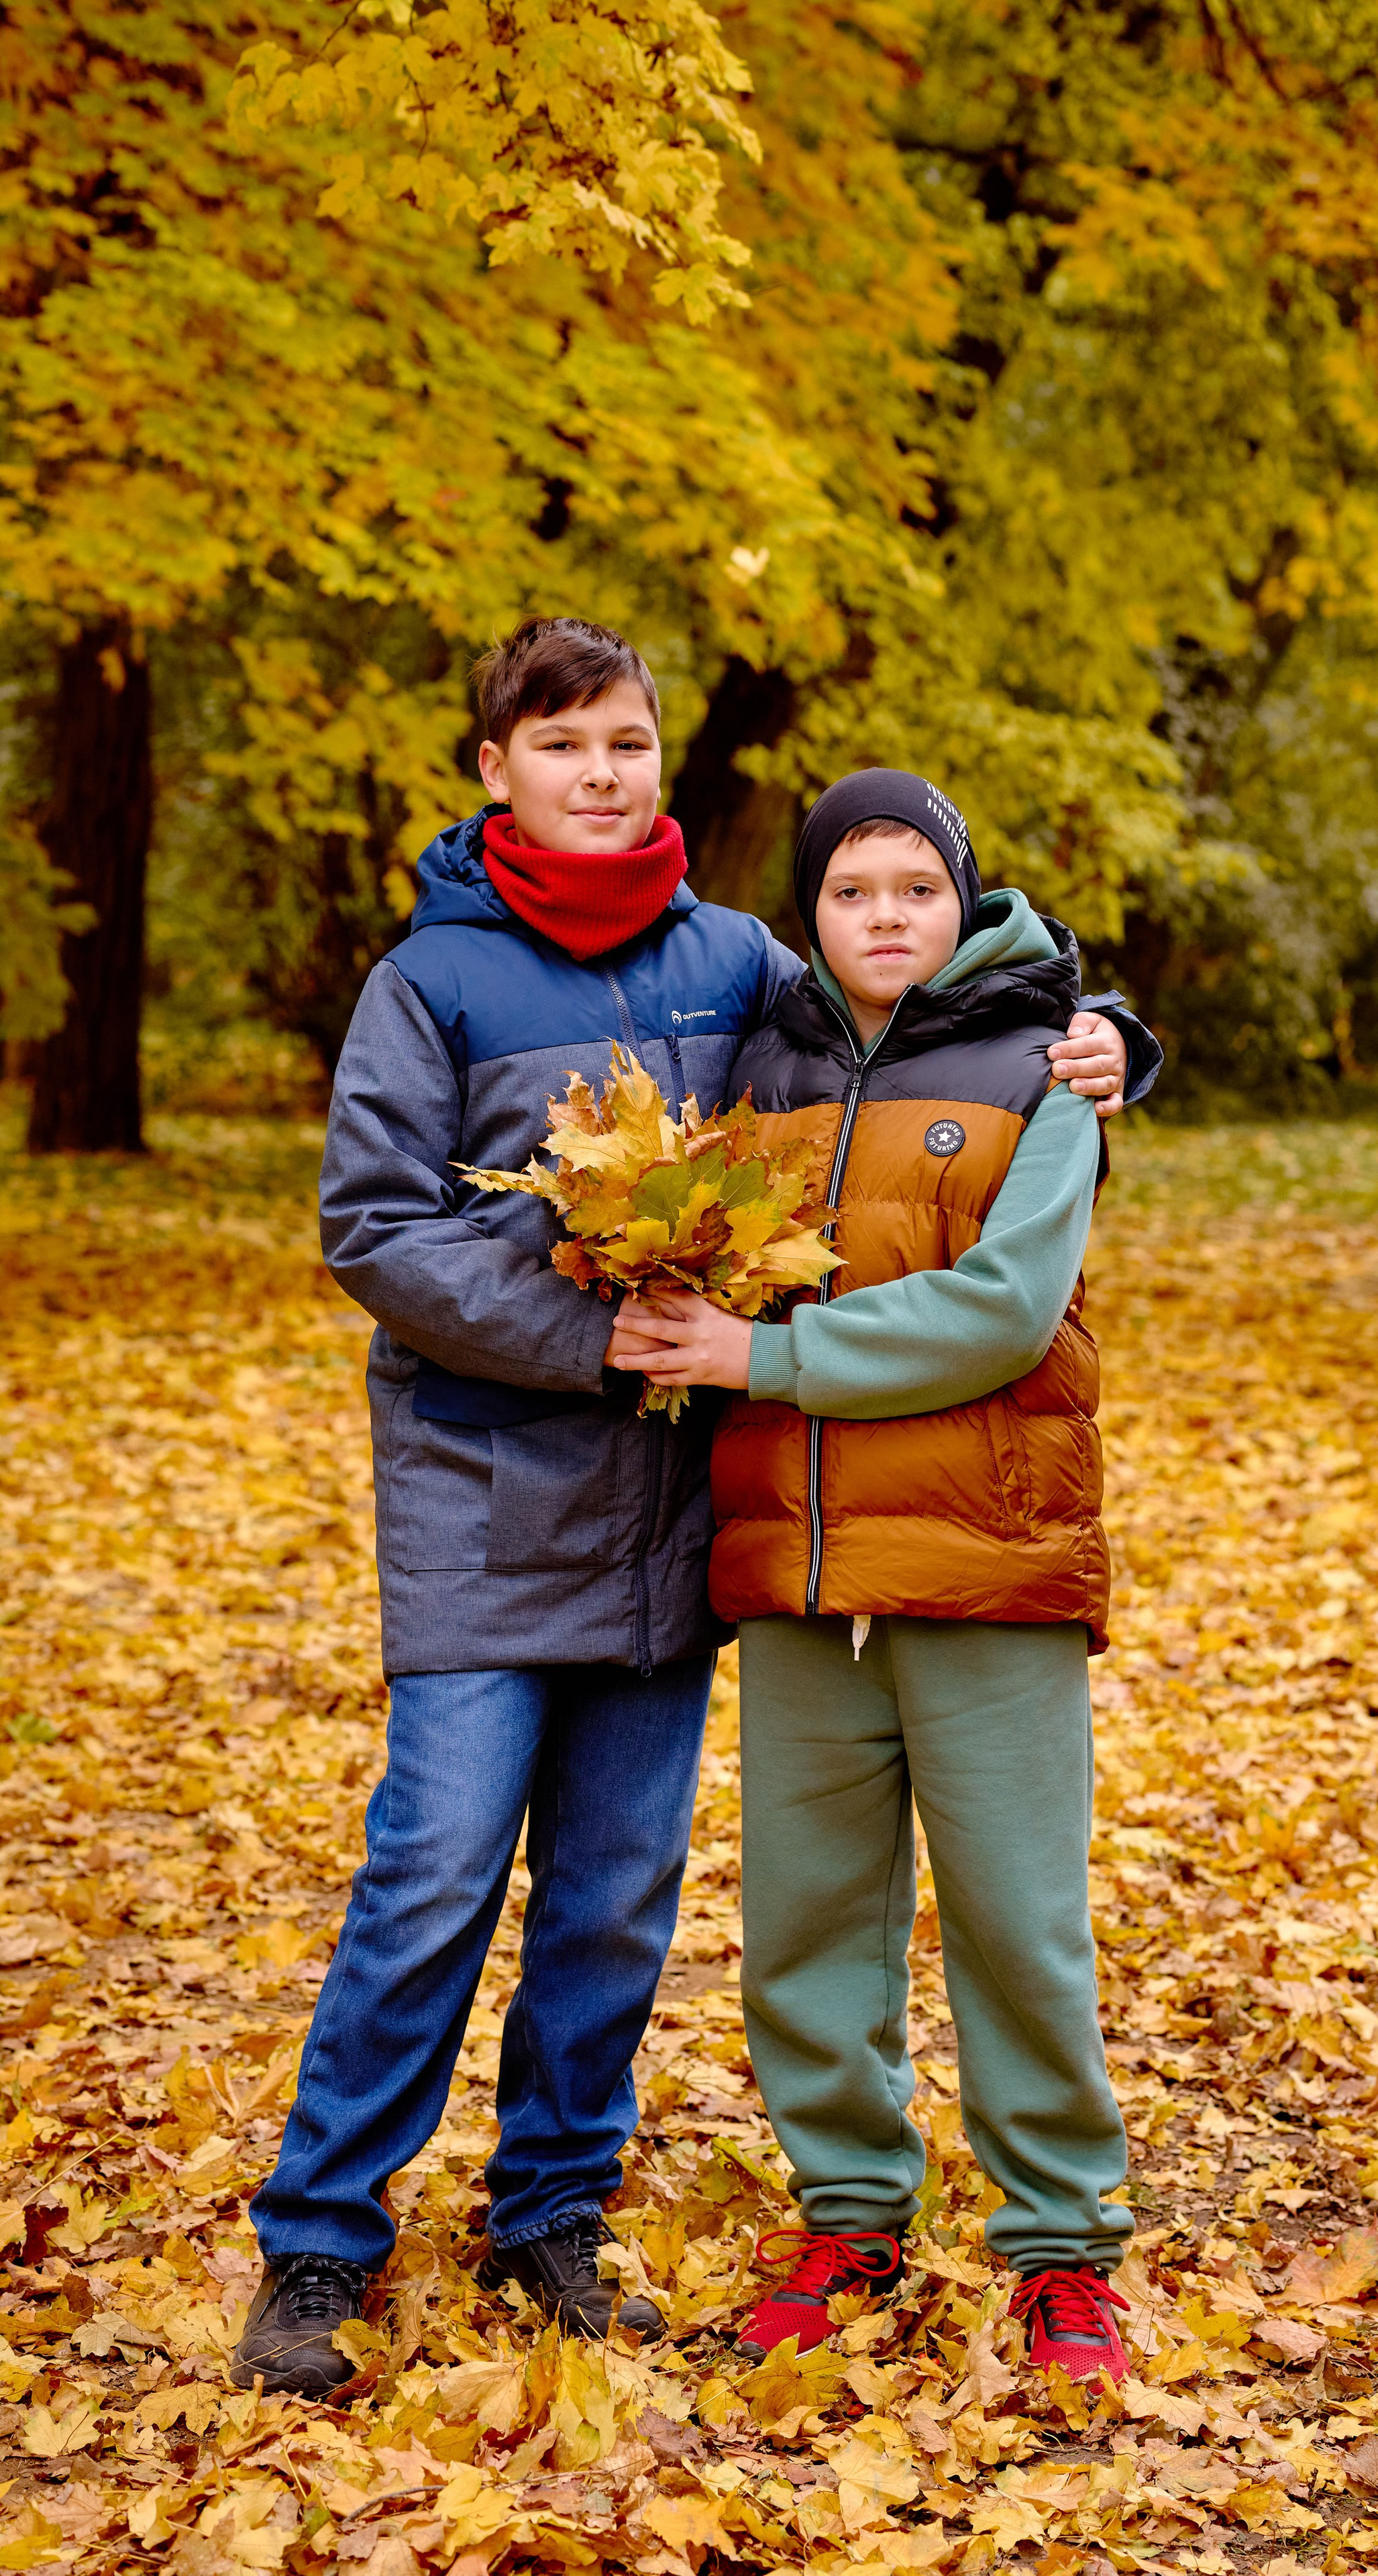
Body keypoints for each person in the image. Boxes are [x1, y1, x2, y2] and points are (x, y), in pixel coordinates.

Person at [231, 620, 1149, 2398]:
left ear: (660, 762)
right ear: (495, 767)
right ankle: (322, 2242)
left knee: (615, 1892)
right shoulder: (430, 983)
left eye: (628, 742)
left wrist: (1111, 1035)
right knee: (432, 1875)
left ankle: (552, 2215)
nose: (599, 771)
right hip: (494, 1497)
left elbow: (933, 1014)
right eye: (560, 743)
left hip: (677, 1504)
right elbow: (374, 1233)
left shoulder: (742, 963)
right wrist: (610, 1337)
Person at [607, 770, 1159, 2386]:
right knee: (804, 1926)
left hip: (987, 1555)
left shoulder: (1047, 1057)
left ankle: (1061, 2250)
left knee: (1015, 1922)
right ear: (813, 908)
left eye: (917, 887)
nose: (887, 917)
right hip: (795, 1565)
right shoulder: (758, 1058)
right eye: (854, 891)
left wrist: (759, 1357)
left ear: (964, 896)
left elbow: (1003, 1311)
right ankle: (848, 2212)